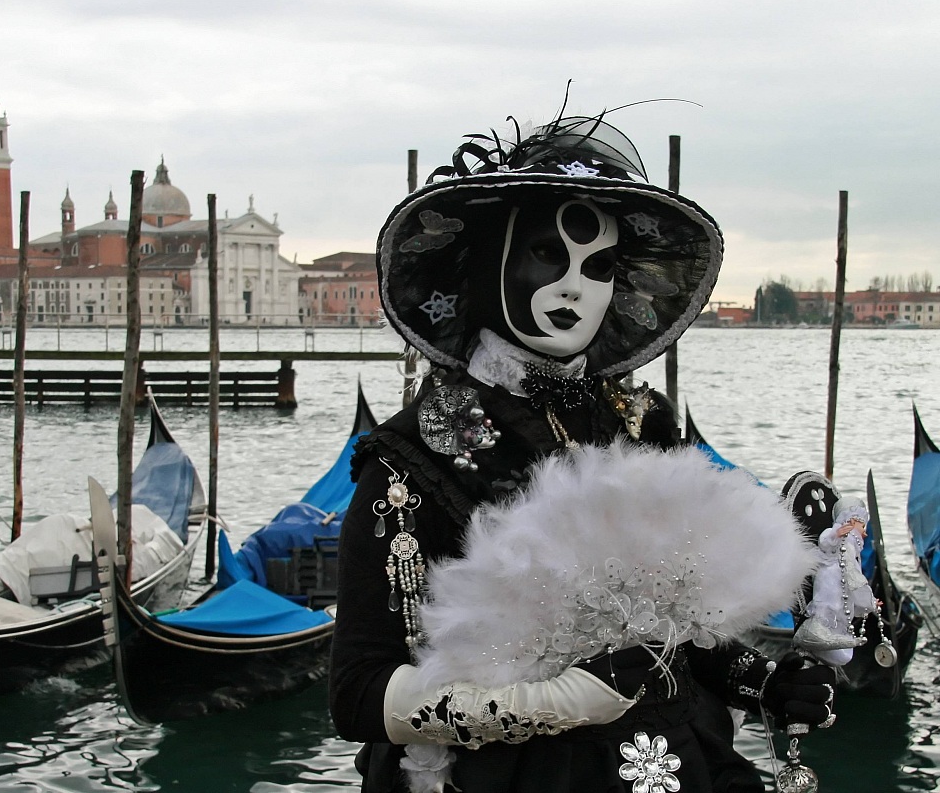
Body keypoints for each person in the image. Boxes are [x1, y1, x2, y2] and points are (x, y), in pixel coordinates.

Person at [329, 106, 836, 793]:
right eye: (547, 254)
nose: (575, 285)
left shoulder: (639, 425)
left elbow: (673, 629)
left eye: (598, 267)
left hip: (676, 757)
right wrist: (555, 702)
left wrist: (763, 679)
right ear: (488, 262)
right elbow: (359, 692)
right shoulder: (413, 461)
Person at [793, 496, 877, 666]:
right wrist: (837, 533)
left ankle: (831, 634)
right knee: (828, 603)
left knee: (840, 609)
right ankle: (814, 629)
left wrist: (869, 600)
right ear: (852, 521)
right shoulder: (838, 536)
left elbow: (855, 574)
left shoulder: (854, 548)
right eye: (862, 527)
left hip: (843, 585)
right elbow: (825, 542)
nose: (865, 533)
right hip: (831, 577)